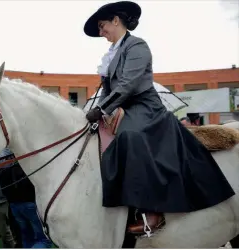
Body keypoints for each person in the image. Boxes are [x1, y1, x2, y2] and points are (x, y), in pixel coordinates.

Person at [83, 1, 235, 235]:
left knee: (130, 136)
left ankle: (152, 211)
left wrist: (103, 109)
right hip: (122, 105)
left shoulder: (137, 46)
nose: (101, 33)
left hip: (144, 105)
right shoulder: (111, 55)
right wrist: (95, 111)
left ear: (116, 20)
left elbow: (129, 84)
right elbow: (107, 88)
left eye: (102, 27)